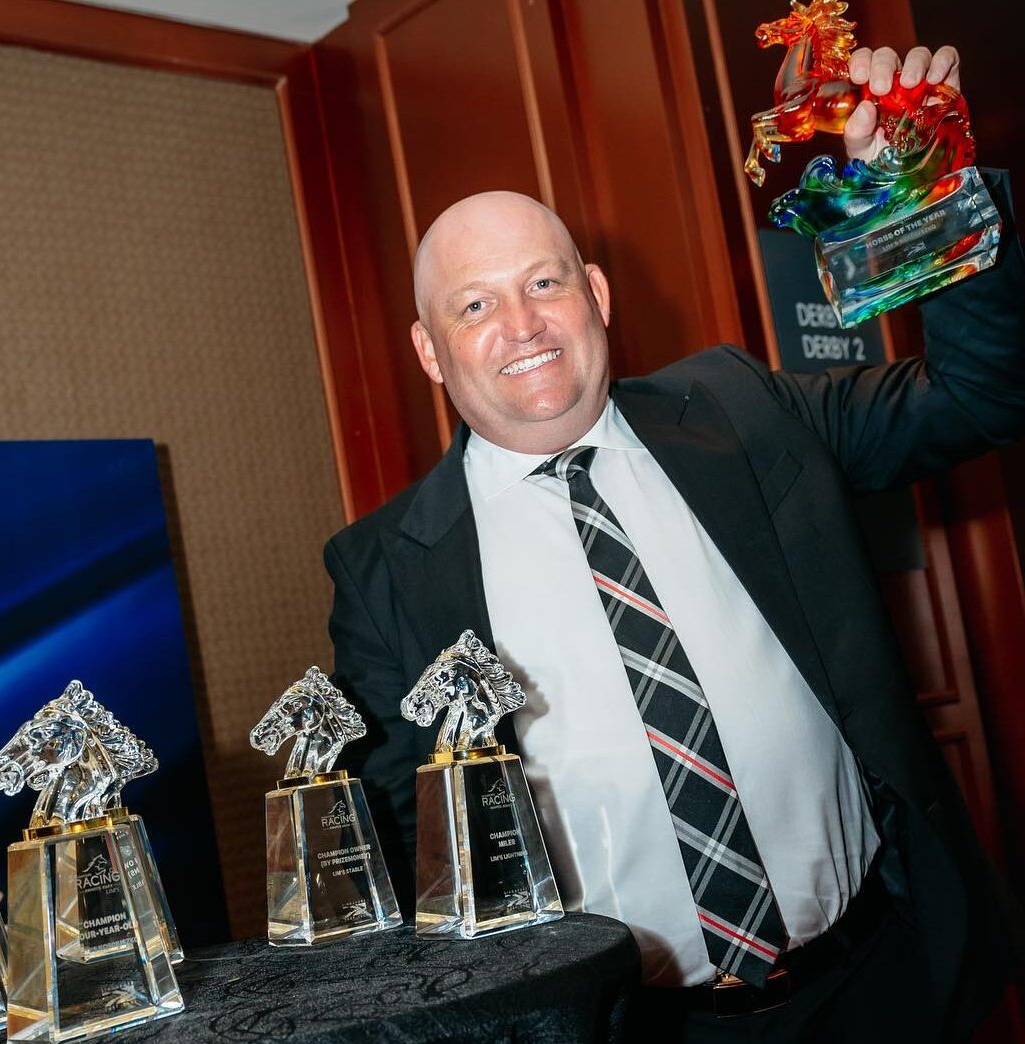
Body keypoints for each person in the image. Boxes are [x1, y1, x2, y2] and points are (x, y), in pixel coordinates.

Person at [325, 43, 1024, 1041]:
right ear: (430, 351)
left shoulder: (745, 410)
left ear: (597, 295)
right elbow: (410, 855)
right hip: (640, 1030)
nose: (524, 325)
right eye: (474, 305)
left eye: (545, 282)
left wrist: (926, 185)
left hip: (881, 981)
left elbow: (980, 395)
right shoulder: (386, 570)